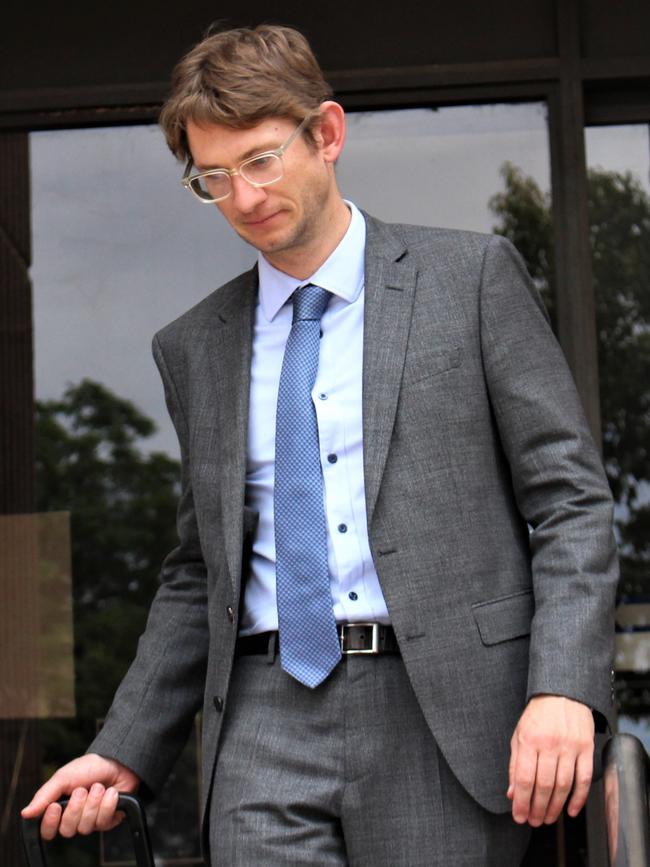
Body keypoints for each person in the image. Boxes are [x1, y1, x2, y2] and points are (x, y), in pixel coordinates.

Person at [22, 24, 618, 866]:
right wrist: (126, 747)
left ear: (326, 134)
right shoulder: (192, 347)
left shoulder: (471, 279)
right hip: (261, 714)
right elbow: (199, 571)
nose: (244, 196)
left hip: (438, 707)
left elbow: (570, 502)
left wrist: (562, 683)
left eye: (261, 160)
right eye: (214, 178)